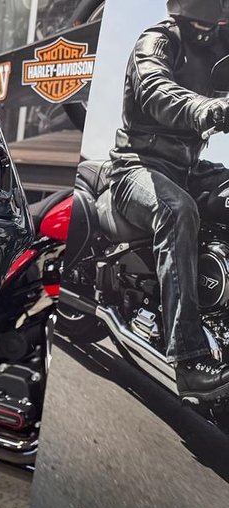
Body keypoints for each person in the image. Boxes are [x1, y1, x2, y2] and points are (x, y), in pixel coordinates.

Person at [109, 0, 229, 399]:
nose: (206, 29)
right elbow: (155, 90)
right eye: (198, 22)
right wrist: (207, 108)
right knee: (178, 211)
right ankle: (188, 358)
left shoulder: (221, 41)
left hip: (188, 168)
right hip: (137, 166)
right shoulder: (158, 40)